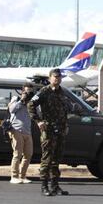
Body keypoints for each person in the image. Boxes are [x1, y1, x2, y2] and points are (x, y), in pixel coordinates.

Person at [30, 68, 69, 196]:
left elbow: (64, 109)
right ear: (49, 78)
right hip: (49, 130)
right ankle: (44, 186)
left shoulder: (62, 92)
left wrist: (65, 124)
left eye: (59, 77)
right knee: (47, 158)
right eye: (55, 77)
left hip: (60, 130)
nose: (57, 79)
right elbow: (31, 105)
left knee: (57, 159)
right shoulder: (44, 91)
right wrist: (38, 121)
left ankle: (55, 185)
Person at [8, 83, 35, 184]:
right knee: (17, 154)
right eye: (26, 91)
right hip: (16, 130)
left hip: (27, 131)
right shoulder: (16, 98)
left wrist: (33, 102)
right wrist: (22, 100)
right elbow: (11, 109)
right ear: (22, 90)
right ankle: (14, 176)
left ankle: (22, 176)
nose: (28, 93)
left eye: (30, 91)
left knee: (28, 154)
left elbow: (38, 113)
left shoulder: (32, 101)